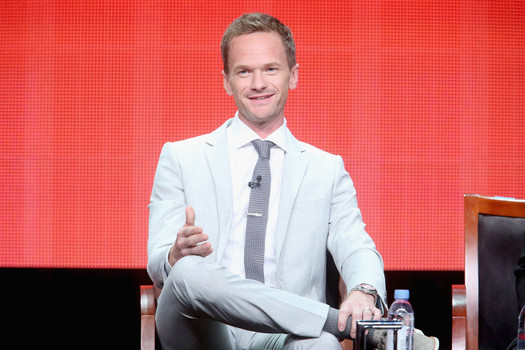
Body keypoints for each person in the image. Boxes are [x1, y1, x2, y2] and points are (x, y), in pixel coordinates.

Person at [147, 13, 437, 350]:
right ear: (226, 81)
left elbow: (356, 245)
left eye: (271, 69)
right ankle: (348, 326)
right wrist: (173, 254)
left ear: (293, 76)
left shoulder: (325, 169)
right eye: (244, 71)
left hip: (284, 336)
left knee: (322, 346)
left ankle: (338, 327)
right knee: (187, 271)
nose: (258, 83)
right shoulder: (181, 157)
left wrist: (364, 290)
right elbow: (157, 264)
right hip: (202, 330)